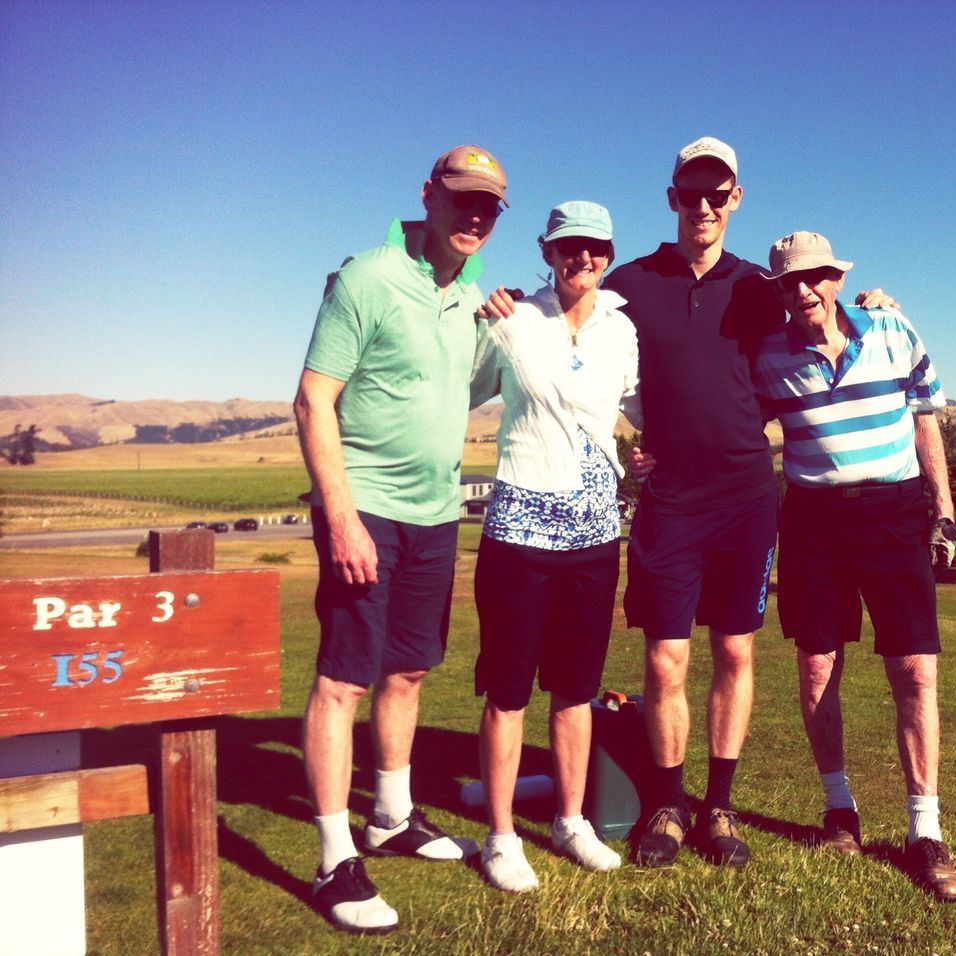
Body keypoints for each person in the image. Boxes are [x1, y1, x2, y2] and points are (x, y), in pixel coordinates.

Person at [293, 145, 507, 933]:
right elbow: (315, 400)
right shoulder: (370, 276)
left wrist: (513, 321)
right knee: (344, 678)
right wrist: (340, 513)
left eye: (488, 206)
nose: (474, 215)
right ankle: (332, 859)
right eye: (462, 199)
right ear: (429, 195)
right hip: (367, 506)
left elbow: (471, 387)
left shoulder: (469, 298)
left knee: (410, 669)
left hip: (436, 513)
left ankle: (390, 816)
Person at [751, 231, 956, 903]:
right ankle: (840, 813)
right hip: (814, 519)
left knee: (914, 670)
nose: (805, 289)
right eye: (791, 282)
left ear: (837, 279)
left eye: (816, 276)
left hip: (894, 512)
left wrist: (945, 512)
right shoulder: (768, 357)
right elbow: (735, 428)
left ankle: (924, 833)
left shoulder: (893, 329)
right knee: (817, 668)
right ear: (780, 291)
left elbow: (926, 420)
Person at [601, 137, 784, 868]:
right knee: (667, 659)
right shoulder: (631, 283)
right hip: (671, 499)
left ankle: (720, 808)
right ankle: (668, 806)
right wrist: (505, 299)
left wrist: (870, 303)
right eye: (690, 193)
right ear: (671, 197)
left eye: (718, 194)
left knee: (735, 650)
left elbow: (818, 337)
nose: (703, 206)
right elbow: (574, 331)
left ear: (736, 199)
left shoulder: (760, 288)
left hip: (746, 493)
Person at [468, 201, 642, 892]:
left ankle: (572, 822)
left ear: (607, 252)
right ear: (547, 250)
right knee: (508, 690)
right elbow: (460, 384)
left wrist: (656, 451)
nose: (582, 259)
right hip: (517, 534)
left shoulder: (622, 329)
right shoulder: (512, 320)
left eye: (595, 247)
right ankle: (502, 837)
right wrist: (472, 319)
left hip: (596, 536)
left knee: (576, 689)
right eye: (569, 247)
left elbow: (639, 409)